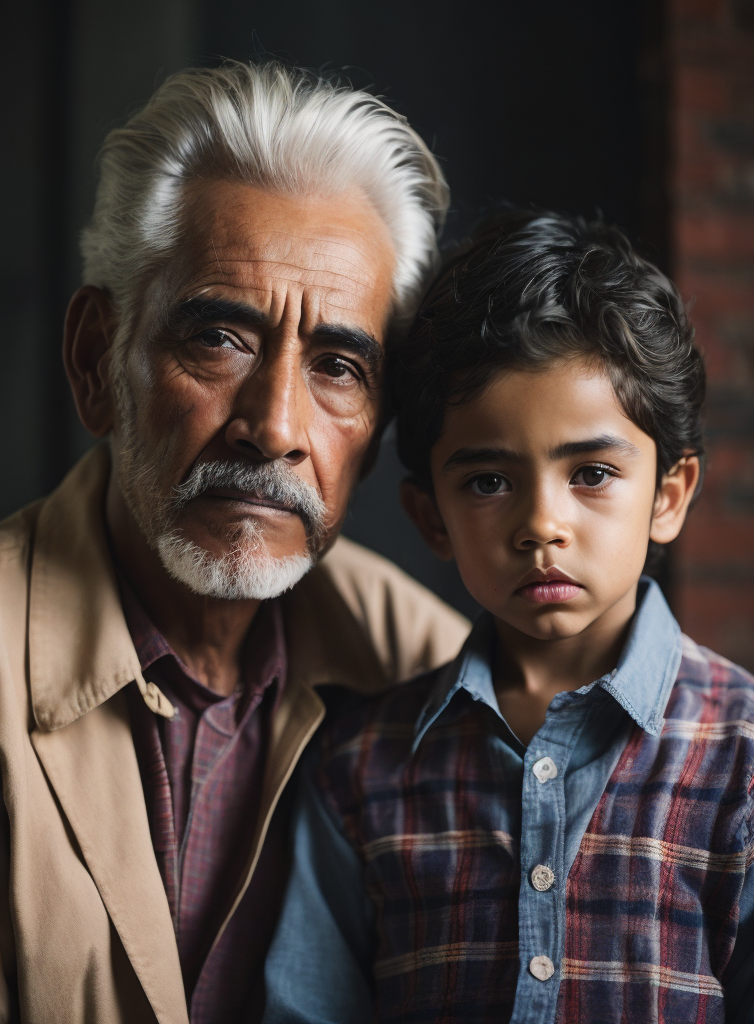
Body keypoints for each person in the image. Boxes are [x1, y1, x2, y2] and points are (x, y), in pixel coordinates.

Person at [0, 61, 471, 1024]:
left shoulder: (439, 680)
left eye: (339, 365)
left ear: (381, 428)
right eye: (220, 339)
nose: (277, 425)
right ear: (98, 361)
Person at [262, 210, 754, 1024]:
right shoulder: (360, 771)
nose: (541, 524)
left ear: (668, 496)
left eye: (593, 472)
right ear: (432, 519)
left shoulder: (751, 766)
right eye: (488, 482)